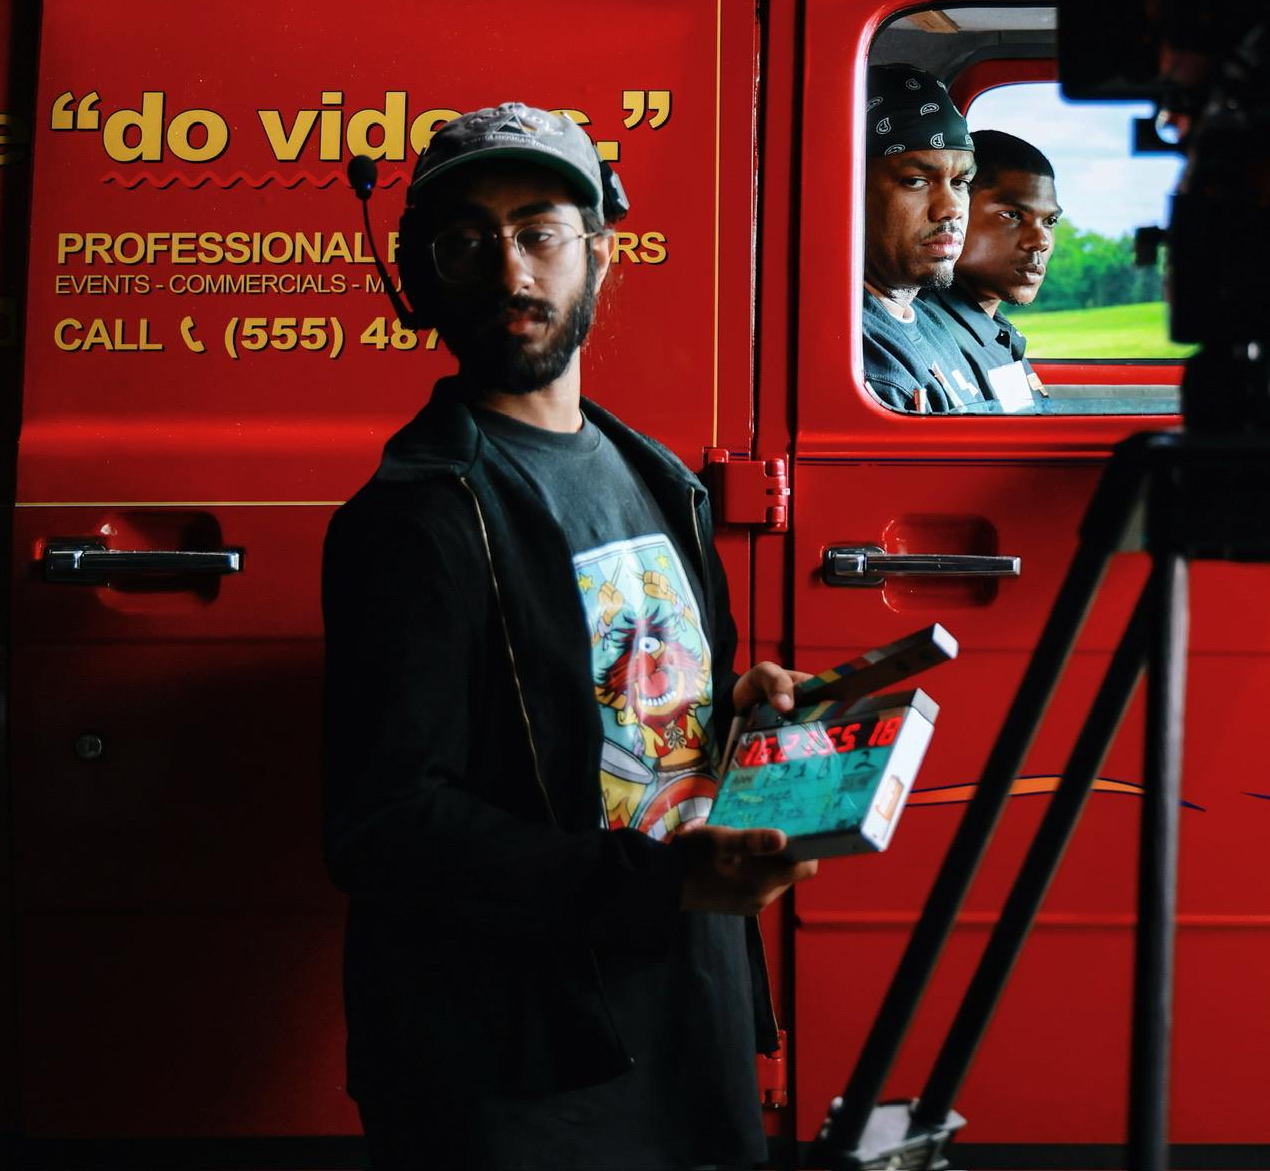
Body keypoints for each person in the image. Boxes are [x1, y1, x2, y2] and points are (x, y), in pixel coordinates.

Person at [320, 102, 814, 1170]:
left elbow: (642, 718)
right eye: (467, 242)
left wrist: (739, 710)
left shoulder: (658, 479)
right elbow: (384, 824)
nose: (511, 272)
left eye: (540, 232)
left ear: (602, 254)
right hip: (523, 1055)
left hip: (686, 998)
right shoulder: (413, 520)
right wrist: (662, 887)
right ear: (423, 279)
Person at [859, 62, 989, 412]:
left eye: (960, 183)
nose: (951, 209)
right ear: (852, 189)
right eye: (916, 181)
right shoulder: (860, 360)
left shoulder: (928, 321)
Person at [925, 128, 1059, 413]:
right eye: (1012, 215)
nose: (1040, 241)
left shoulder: (993, 332)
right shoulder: (933, 338)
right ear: (954, 210)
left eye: (1050, 221)